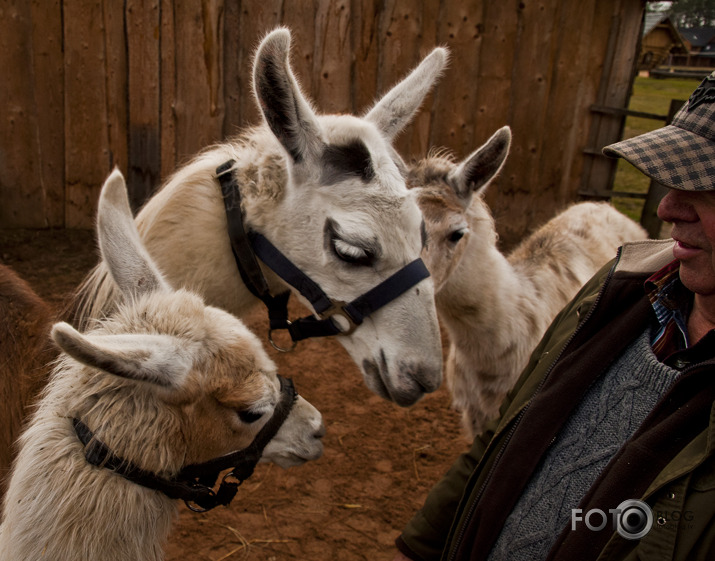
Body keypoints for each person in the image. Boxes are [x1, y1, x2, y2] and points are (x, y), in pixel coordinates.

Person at [393, 72, 715, 561]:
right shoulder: (614, 294)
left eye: (705, 188)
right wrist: (425, 543)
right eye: (672, 182)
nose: (667, 207)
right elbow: (504, 440)